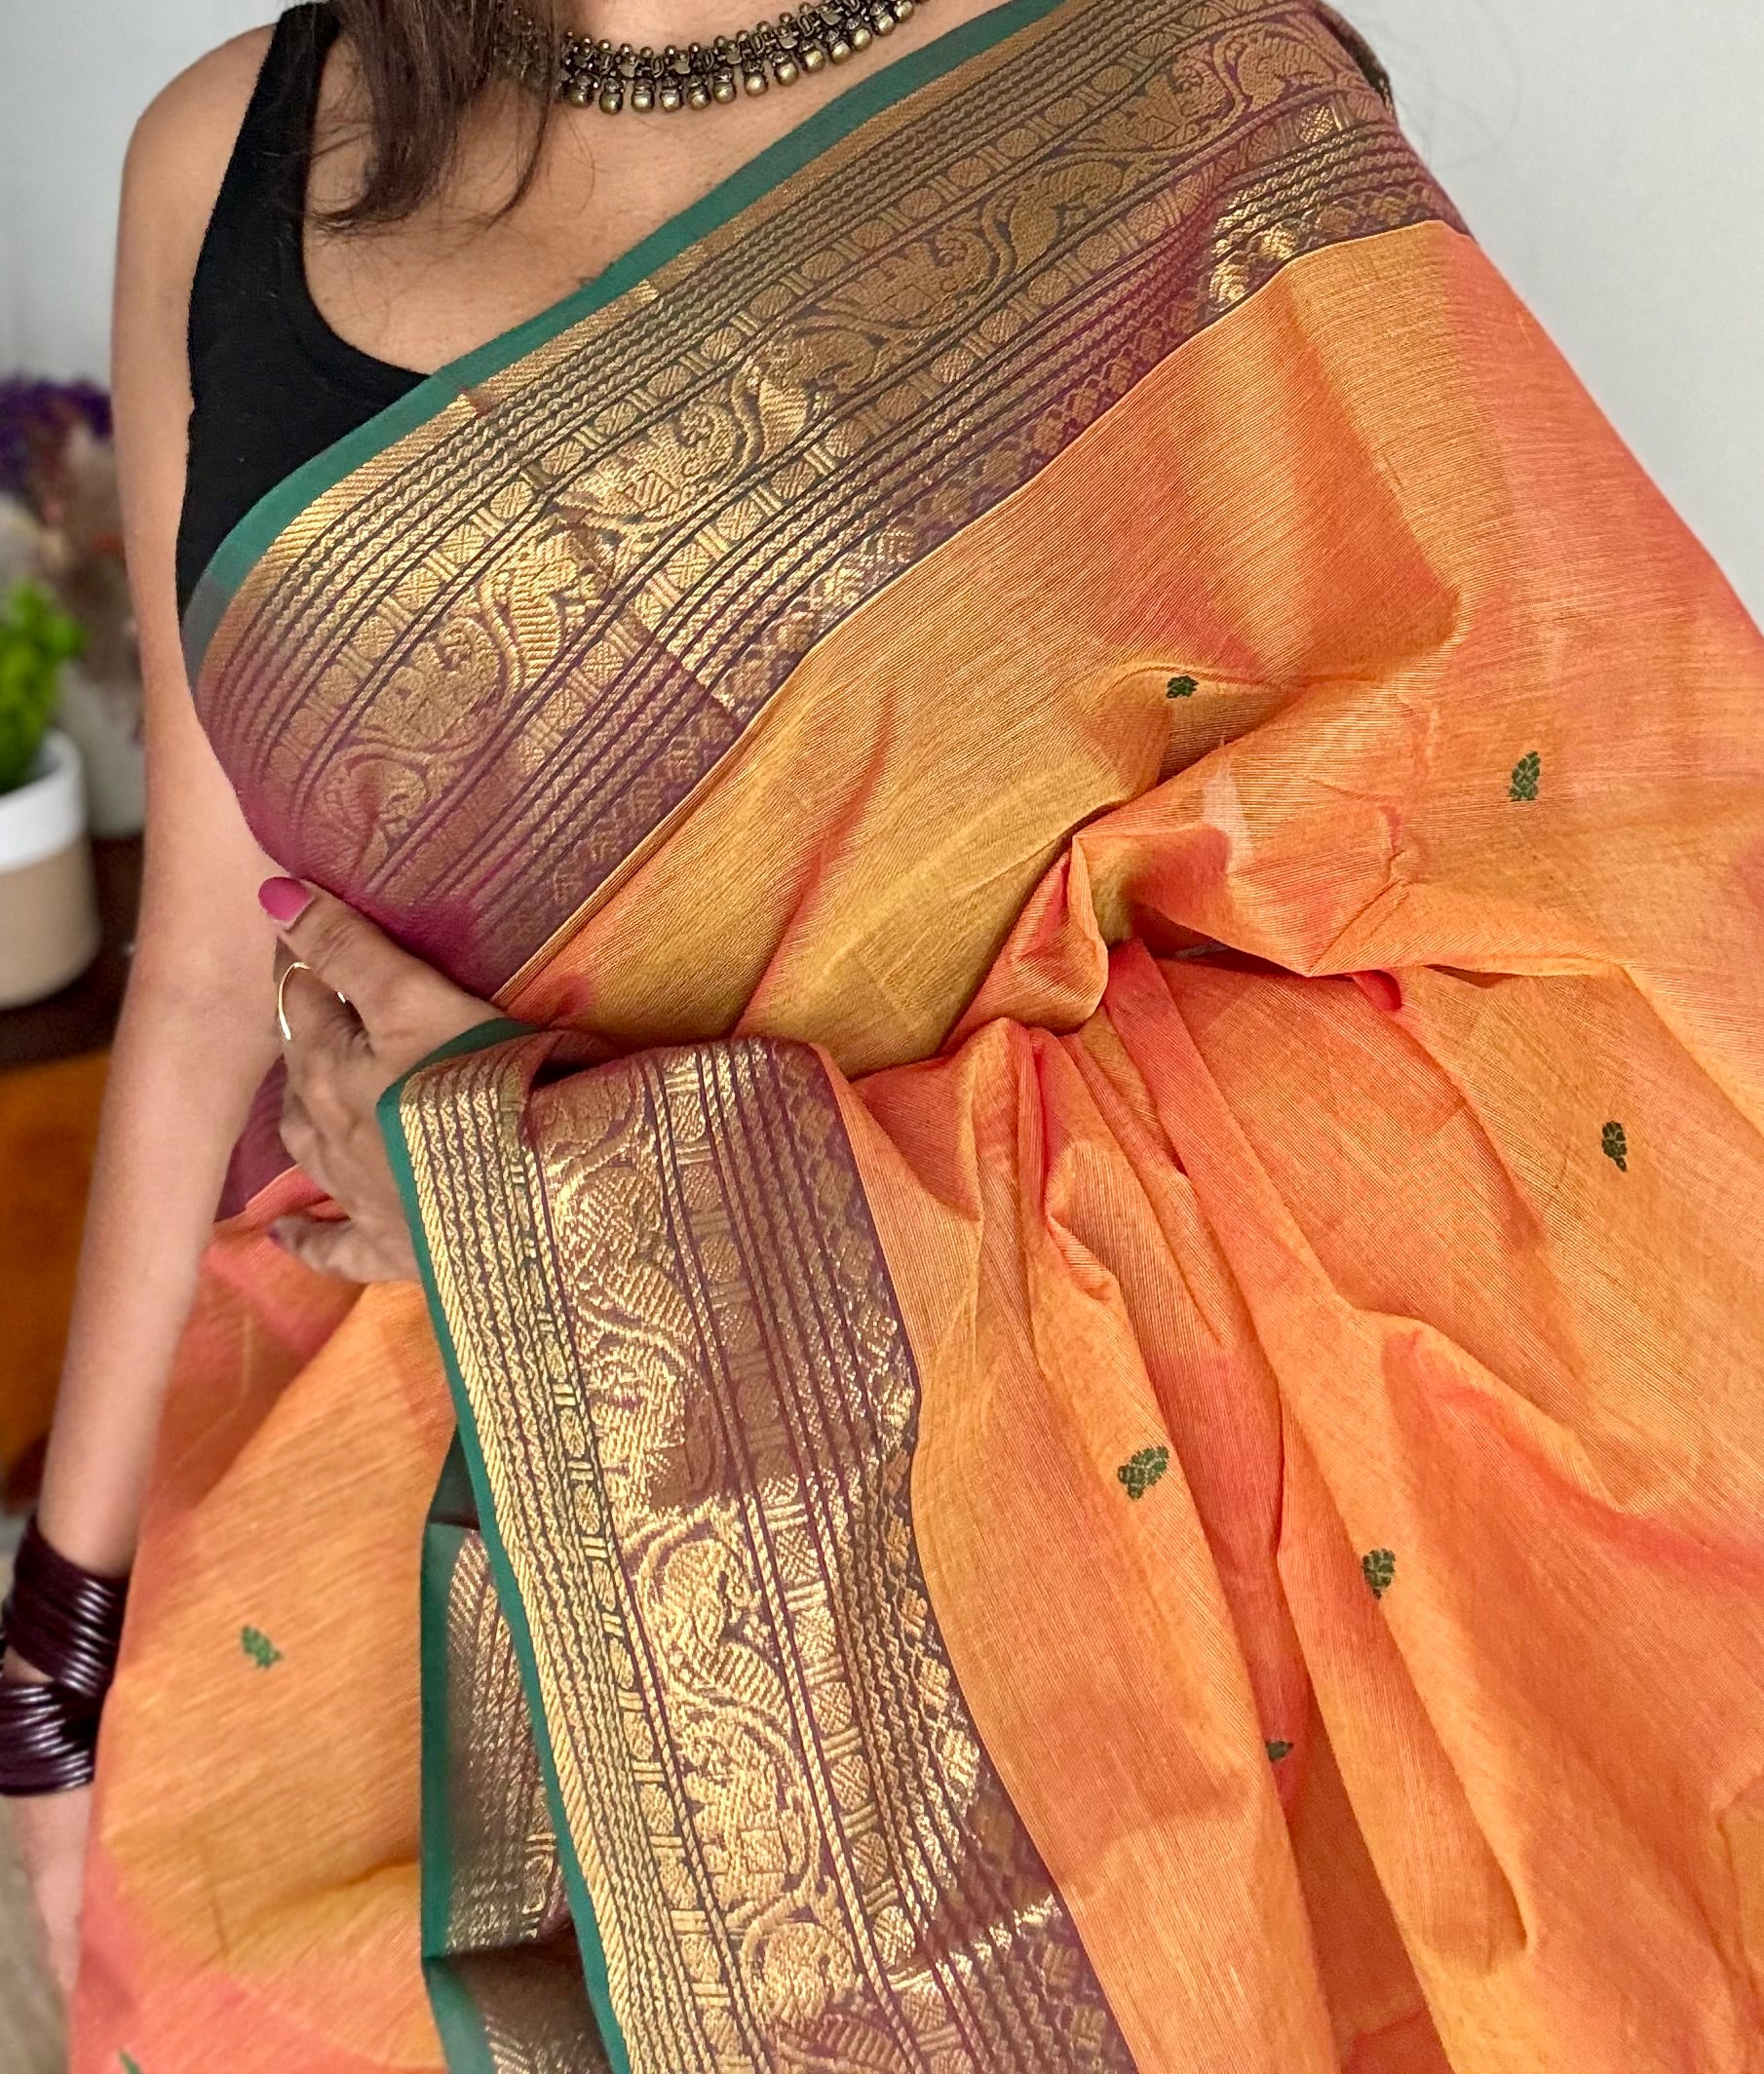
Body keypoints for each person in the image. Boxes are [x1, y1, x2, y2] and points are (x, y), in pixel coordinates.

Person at [4, 0, 1763, 2065]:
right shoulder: (228, 156)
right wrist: (62, 1644)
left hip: (1065, 1625)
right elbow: (212, 970)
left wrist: (522, 1195)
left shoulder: (1168, 88)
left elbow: (1547, 934)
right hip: (402, 1580)